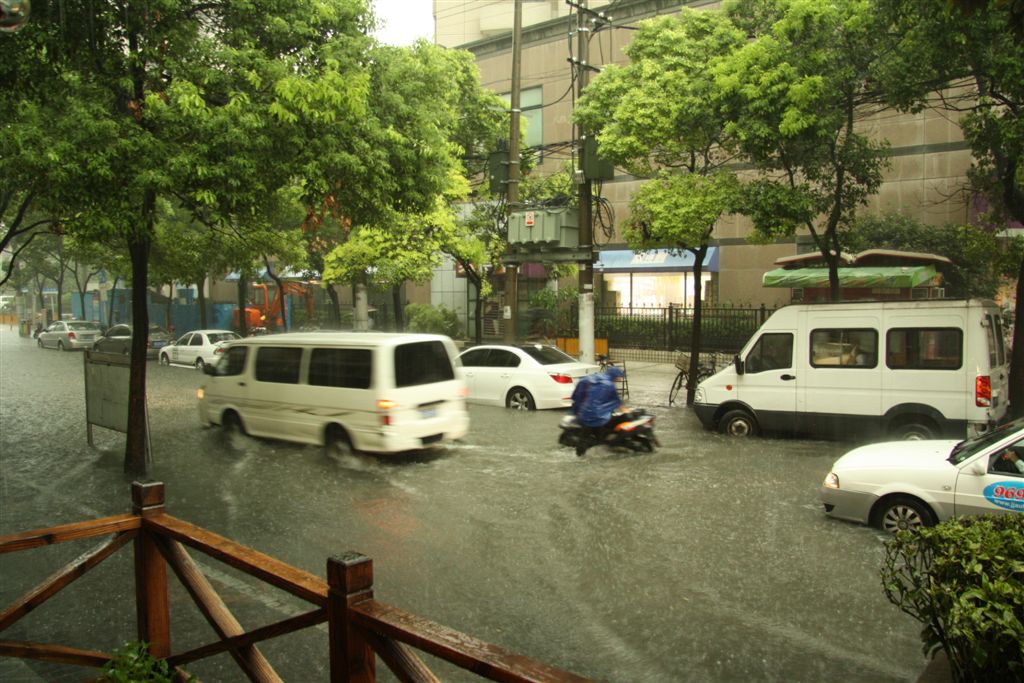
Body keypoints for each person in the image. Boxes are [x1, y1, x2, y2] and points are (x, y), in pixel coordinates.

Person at [569, 366, 627, 456]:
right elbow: (616, 401)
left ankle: (579, 455)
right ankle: (601, 452)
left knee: (585, 435)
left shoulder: (592, 378)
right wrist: (625, 411)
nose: (618, 380)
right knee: (601, 435)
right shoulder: (609, 385)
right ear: (614, 376)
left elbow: (579, 395)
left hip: (584, 414)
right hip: (599, 416)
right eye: (618, 377)